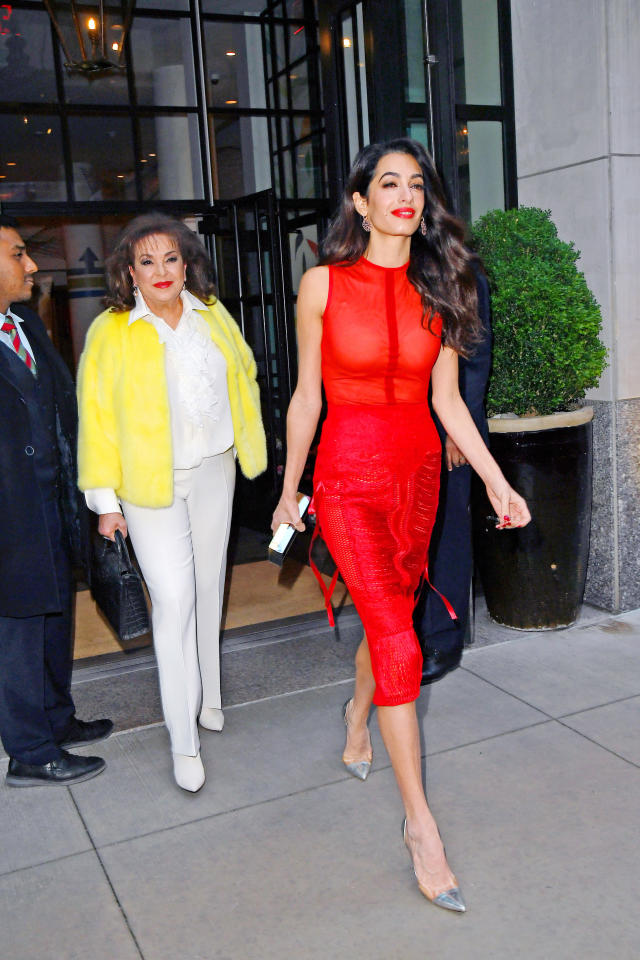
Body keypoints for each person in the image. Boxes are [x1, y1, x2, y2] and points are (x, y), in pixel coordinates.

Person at [271, 139, 530, 911]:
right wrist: (289, 491)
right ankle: (421, 827)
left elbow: (448, 402)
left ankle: (358, 712)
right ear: (360, 202)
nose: (405, 196)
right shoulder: (321, 285)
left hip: (418, 481)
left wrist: (495, 480)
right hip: (347, 479)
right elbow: (306, 398)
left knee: (396, 621)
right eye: (389, 184)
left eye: (416, 184)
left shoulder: (442, 287)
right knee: (395, 638)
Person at [77, 214, 267, 792]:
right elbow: (97, 420)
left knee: (210, 585)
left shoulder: (213, 315)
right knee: (175, 599)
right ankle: (183, 740)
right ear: (129, 272)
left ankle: (210, 695)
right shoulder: (110, 331)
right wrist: (105, 502)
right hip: (148, 485)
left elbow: (246, 377)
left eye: (171, 259)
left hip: (215, 470)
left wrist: (249, 442)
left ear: (187, 263)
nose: (161, 271)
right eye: (147, 261)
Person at [0, 214, 112, 788]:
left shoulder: (24, 322)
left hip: (52, 503)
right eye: (19, 255)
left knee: (54, 620)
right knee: (17, 634)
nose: (33, 266)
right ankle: (29, 751)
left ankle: (56, 720)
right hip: (9, 517)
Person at [414, 269, 492, 682]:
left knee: (446, 534)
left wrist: (457, 434)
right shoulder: (386, 273)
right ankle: (405, 632)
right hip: (400, 430)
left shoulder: (460, 277)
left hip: (449, 429)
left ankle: (442, 636)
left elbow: (474, 361)